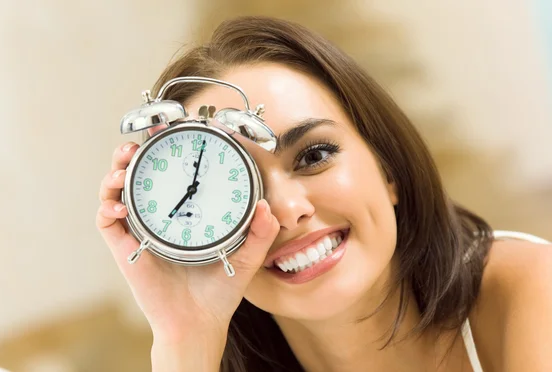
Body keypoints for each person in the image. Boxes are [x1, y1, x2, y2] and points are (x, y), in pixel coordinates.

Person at [96, 16, 552, 371]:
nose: (289, 211)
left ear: (388, 166)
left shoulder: (532, 294)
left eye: (314, 156)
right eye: (233, 191)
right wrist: (184, 337)